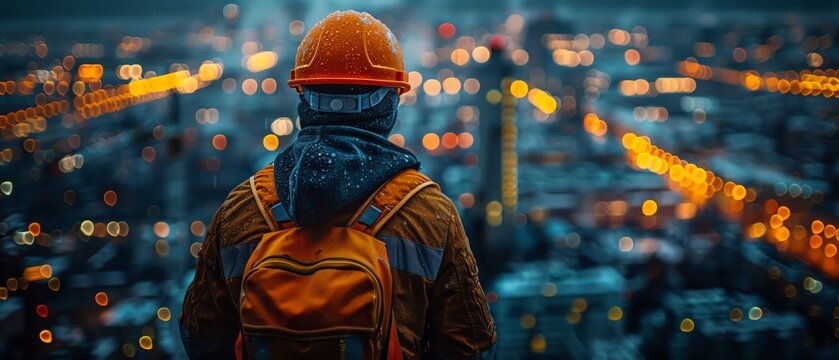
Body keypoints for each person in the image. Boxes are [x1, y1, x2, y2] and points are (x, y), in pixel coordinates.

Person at [180, 10, 496, 359]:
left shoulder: (242, 208)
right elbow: (470, 344)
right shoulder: (429, 214)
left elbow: (200, 336)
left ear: (302, 96)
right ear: (391, 102)